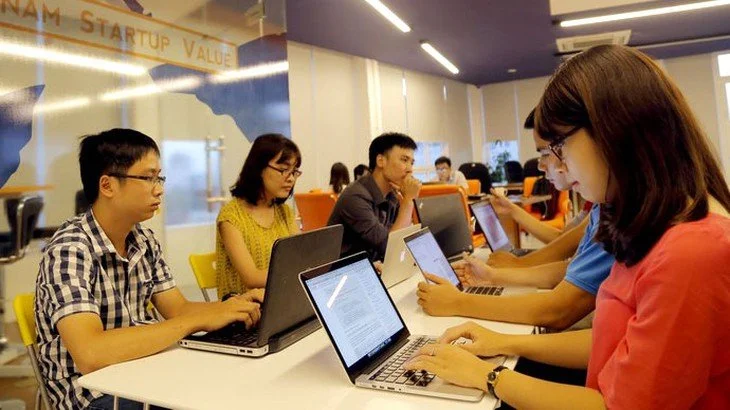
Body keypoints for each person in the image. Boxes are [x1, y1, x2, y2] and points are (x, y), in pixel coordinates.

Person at [406, 45, 730, 409]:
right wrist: (502, 342)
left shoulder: (690, 252)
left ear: (614, 129)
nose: (556, 164)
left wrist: (489, 376)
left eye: (558, 145)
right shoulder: (648, 227)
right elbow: (614, 342)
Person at [35, 129, 263, 410]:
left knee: (234, 381)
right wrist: (192, 323)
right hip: (92, 394)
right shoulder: (70, 249)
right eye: (148, 178)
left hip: (142, 371)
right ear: (107, 186)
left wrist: (232, 307)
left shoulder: (143, 239)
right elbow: (91, 353)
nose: (159, 189)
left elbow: (178, 309)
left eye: (159, 178)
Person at [416, 110, 614, 330]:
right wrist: (495, 276)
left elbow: (560, 308)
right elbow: (569, 266)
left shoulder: (616, 212)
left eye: (550, 151)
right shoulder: (601, 207)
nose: (544, 165)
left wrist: (459, 302)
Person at [216, 134, 300, 300]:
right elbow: (251, 278)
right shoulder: (231, 217)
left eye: (294, 171)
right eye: (284, 170)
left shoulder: (284, 212)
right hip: (246, 308)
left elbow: (300, 257)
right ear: (259, 168)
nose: (291, 178)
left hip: (281, 301)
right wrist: (298, 270)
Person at [327, 132, 421, 260]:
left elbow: (403, 244)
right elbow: (391, 248)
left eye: (412, 163)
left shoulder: (391, 195)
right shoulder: (355, 196)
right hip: (347, 270)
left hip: (373, 265)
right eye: (404, 160)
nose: (410, 169)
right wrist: (408, 201)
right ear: (381, 161)